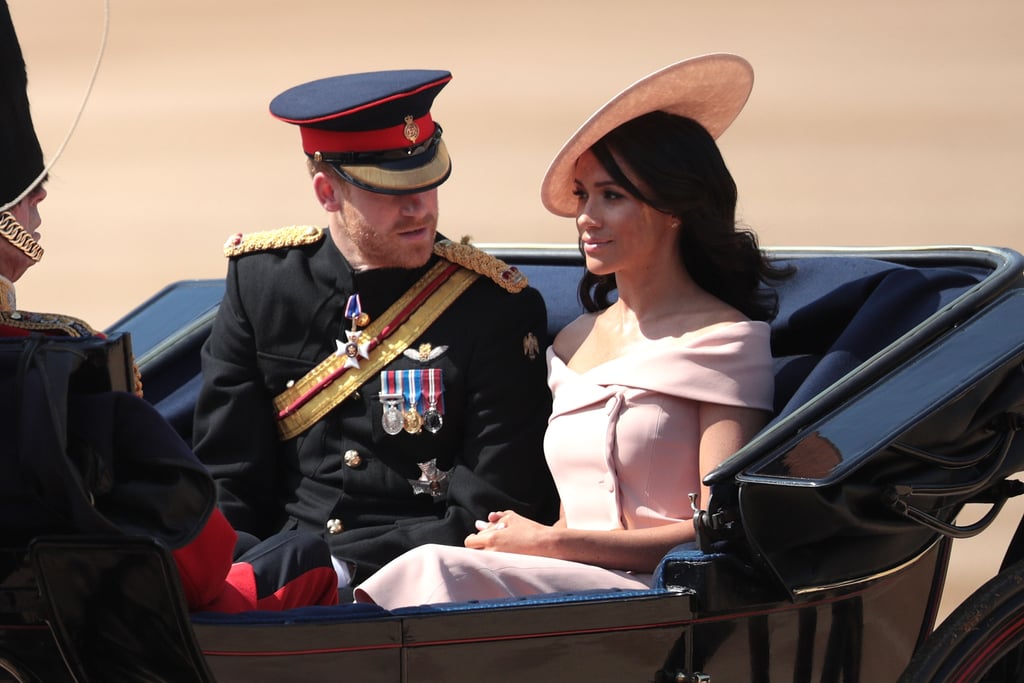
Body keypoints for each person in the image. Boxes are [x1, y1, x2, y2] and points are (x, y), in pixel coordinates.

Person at [354, 53, 790, 609]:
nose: (586, 217)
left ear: (674, 208)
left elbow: (719, 528)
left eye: (612, 196)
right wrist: (538, 545)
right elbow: (568, 508)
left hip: (662, 594)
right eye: (583, 195)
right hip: (571, 588)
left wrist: (551, 543)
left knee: (434, 568)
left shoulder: (724, 340)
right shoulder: (570, 343)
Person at [0, 1, 338, 613]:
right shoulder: (64, 366)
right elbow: (195, 559)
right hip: (97, 628)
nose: (38, 215)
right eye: (28, 201)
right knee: (303, 560)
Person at [191, 69, 558, 591]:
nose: (420, 208)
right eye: (392, 191)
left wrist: (336, 569)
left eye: (429, 183)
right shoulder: (262, 285)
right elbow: (227, 475)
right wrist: (242, 581)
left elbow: (494, 512)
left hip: (419, 588)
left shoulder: (495, 308)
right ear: (327, 192)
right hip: (273, 587)